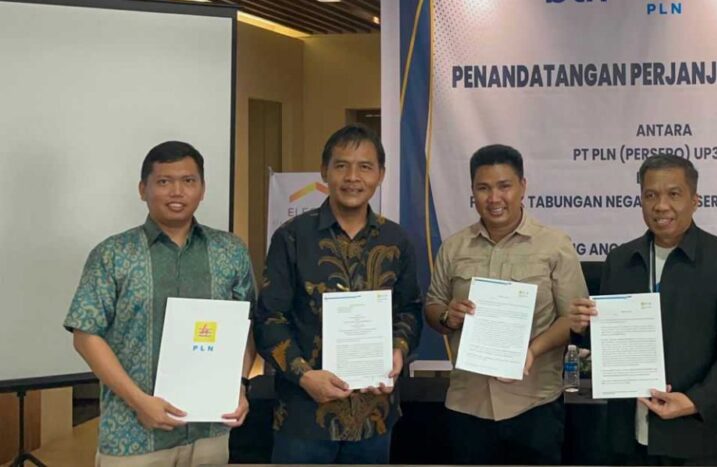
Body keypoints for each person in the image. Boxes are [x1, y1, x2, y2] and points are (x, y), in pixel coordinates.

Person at [65, 141, 254, 466]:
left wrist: (237, 385)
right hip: (133, 434)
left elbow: (244, 327)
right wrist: (139, 401)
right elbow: (85, 335)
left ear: (202, 189)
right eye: (164, 181)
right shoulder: (113, 254)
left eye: (188, 181)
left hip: (210, 431)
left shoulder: (230, 251)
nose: (177, 192)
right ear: (143, 189)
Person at [570, 154, 717, 466]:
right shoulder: (621, 261)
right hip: (628, 439)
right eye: (650, 195)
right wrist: (583, 328)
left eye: (674, 194)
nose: (660, 206)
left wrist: (694, 401)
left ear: (695, 200)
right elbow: (610, 348)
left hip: (697, 437)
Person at [254, 124, 422, 464]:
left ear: (381, 175)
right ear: (324, 171)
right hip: (304, 417)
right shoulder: (292, 237)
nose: (352, 177)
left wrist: (398, 351)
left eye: (365, 167)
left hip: (374, 417)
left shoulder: (396, 240)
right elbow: (269, 319)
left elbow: (410, 310)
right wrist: (304, 376)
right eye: (341, 165)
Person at [425, 144, 588, 465]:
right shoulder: (454, 247)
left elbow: (573, 319)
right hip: (468, 404)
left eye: (504, 186)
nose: (494, 198)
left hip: (534, 403)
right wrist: (448, 316)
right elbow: (433, 306)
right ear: (472, 191)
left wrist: (533, 351)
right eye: (483, 188)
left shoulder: (554, 245)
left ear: (522, 187)